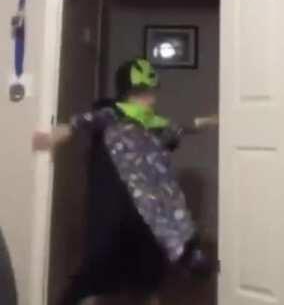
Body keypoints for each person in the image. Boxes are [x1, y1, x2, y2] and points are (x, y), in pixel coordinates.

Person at [35, 58, 214, 305]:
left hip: (150, 201)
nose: (150, 99)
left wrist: (208, 122)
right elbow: (83, 121)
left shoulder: (154, 123)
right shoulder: (112, 114)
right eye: (142, 94)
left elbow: (179, 127)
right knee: (99, 264)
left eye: (150, 93)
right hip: (120, 196)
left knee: (152, 255)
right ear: (129, 94)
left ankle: (164, 276)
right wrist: (56, 135)